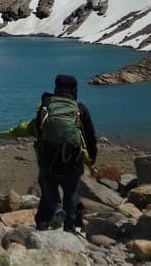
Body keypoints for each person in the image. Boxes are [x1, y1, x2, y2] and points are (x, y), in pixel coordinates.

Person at [34, 74, 97, 232]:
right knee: (71, 192)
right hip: (72, 159)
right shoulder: (79, 108)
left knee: (48, 186)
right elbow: (90, 135)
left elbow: (38, 129)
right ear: (74, 89)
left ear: (56, 87)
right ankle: (69, 227)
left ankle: (52, 213)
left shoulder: (46, 105)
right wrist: (92, 156)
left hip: (49, 157)